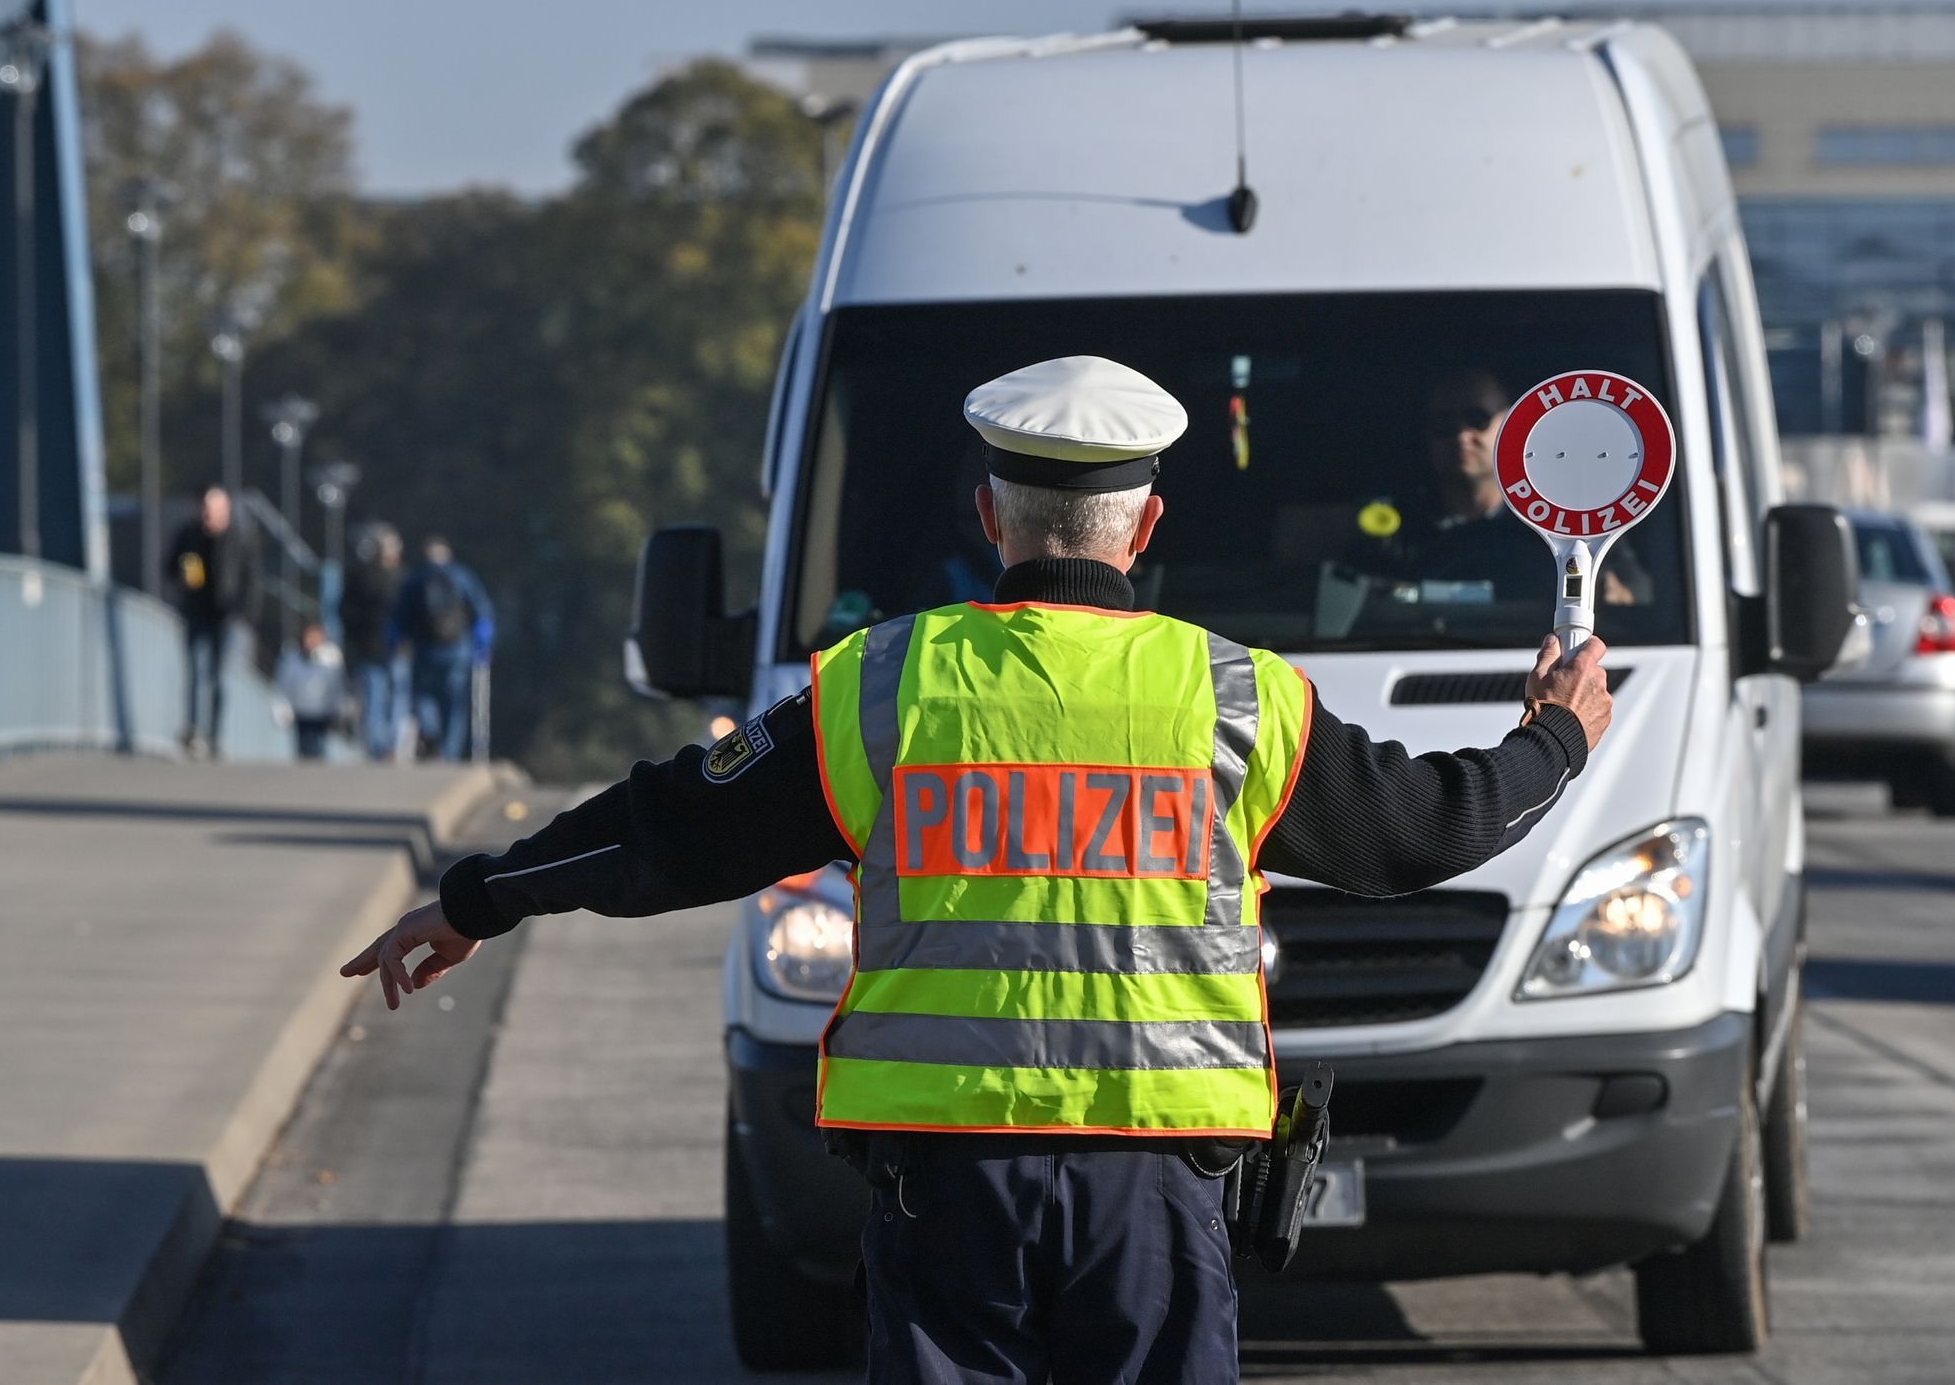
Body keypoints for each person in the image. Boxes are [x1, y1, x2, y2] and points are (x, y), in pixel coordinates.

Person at [342, 356, 1613, 1385]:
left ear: (990, 517)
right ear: (1147, 525)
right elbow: (1424, 833)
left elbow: (667, 828)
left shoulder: (879, 685)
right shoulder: (1235, 696)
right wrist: (1553, 734)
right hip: (1153, 1188)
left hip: (947, 1187)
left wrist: (476, 900)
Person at [1405, 369, 1645, 604]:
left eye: (1478, 419)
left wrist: (1616, 594)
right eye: (1444, 423)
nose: (1462, 435)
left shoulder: (1564, 523)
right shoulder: (1400, 528)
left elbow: (1641, 594)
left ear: (1510, 425)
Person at [165, 485, 252, 758]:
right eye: (205, 508)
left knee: (217, 677)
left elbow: (250, 578)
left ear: (225, 510)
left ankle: (214, 736)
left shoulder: (239, 538)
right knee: (193, 673)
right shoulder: (189, 535)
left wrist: (244, 612)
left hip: (224, 616)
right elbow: (168, 566)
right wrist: (182, 574)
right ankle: (192, 730)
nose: (207, 514)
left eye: (213, 509)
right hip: (194, 612)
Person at [390, 536, 493, 761]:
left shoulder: (416, 579)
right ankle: (450, 752)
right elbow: (481, 611)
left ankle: (431, 734)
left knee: (423, 697)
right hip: (458, 650)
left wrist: (396, 641)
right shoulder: (462, 576)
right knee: (454, 703)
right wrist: (483, 642)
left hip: (425, 650)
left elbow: (400, 617)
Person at [340, 525, 405, 759]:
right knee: (389, 699)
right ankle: (386, 746)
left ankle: (381, 747)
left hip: (372, 648)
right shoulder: (397, 579)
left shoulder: (360, 576)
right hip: (387, 649)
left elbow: (344, 612)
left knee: (377, 700)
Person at [275, 622, 349, 759]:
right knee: (302, 748)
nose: (312, 642)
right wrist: (283, 705)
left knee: (318, 748)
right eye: (309, 637)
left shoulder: (331, 660)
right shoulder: (293, 659)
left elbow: (338, 686)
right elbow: (285, 683)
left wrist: (339, 707)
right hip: (301, 712)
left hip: (322, 713)